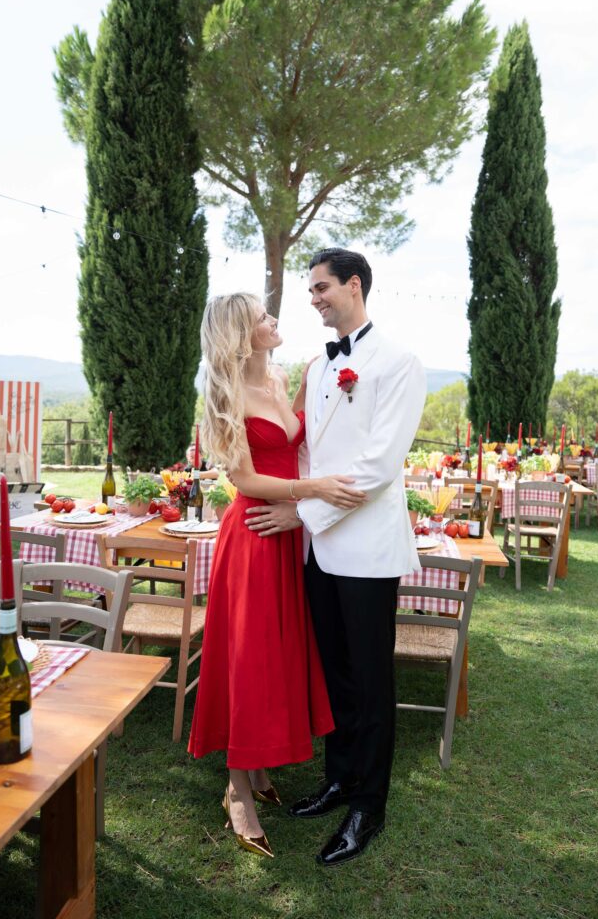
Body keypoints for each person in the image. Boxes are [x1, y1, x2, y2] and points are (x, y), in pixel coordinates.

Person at [245, 248, 426, 867]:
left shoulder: (399, 362)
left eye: (321, 287)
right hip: (318, 553)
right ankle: (339, 779)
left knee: (372, 682)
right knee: (336, 674)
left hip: (368, 549)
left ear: (354, 285)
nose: (314, 298)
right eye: (311, 289)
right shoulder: (320, 369)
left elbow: (378, 467)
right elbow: (307, 458)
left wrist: (302, 513)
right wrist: (298, 506)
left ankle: (368, 806)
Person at [187, 292, 367, 860]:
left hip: (292, 534)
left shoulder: (287, 375)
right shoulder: (225, 394)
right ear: (241, 334)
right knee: (251, 657)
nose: (274, 321)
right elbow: (243, 479)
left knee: (280, 652)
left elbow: (301, 442)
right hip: (258, 533)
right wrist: (309, 491)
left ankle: (259, 768)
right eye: (262, 318)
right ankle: (236, 787)